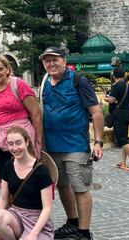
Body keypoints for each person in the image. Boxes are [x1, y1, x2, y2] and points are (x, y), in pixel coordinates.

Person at [40, 47, 103, 240]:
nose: (51, 64)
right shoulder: (45, 83)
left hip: (76, 145)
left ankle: (84, 233)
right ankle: (72, 222)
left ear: (64, 61)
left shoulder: (78, 81)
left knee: (80, 188)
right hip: (52, 147)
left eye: (55, 60)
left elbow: (96, 112)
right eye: (47, 61)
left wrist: (98, 142)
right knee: (62, 186)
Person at [0, 55, 42, 190]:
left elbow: (36, 112)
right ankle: (10, 209)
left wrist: (38, 138)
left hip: (20, 140)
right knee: (7, 181)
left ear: (8, 69)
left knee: (25, 179)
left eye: (0, 69)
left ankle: (27, 209)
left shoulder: (18, 85)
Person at [0, 126, 55, 240]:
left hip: (37, 218)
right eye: (11, 144)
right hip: (16, 215)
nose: (15, 148)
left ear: (27, 142)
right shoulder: (8, 166)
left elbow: (47, 207)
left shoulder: (41, 170)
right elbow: (4, 199)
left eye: (18, 143)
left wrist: (34, 234)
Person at [106, 65, 129, 171]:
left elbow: (112, 100)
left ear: (114, 76)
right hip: (127, 113)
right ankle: (123, 162)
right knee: (124, 137)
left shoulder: (116, 86)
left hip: (118, 114)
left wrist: (106, 99)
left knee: (121, 139)